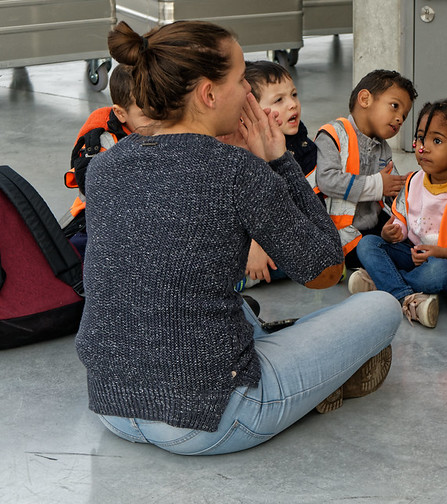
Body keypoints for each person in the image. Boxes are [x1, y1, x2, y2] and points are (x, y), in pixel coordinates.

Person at [75, 20, 402, 455]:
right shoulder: (235, 170)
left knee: (228, 307)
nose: (250, 94)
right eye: (239, 80)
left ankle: (296, 357)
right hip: (211, 420)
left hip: (111, 406)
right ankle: (313, 376)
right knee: (380, 306)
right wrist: (280, 161)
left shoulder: (104, 166)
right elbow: (326, 270)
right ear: (209, 94)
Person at [348, 98, 447, 328]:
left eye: (436, 140)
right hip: (410, 253)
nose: (423, 148)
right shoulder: (414, 180)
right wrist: (394, 232)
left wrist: (443, 252)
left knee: (440, 273)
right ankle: (405, 297)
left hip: (445, 262)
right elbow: (401, 217)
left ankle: (383, 283)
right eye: (420, 138)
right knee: (368, 243)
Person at [230, 60, 319, 290]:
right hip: (250, 239)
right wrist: (253, 247)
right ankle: (243, 275)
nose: (293, 105)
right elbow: (241, 213)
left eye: (294, 95)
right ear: (251, 111)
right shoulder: (243, 152)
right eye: (279, 100)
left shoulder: (302, 144)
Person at [315, 69, 417, 268]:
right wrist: (378, 184)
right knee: (371, 253)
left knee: (408, 244)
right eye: (394, 106)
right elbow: (326, 180)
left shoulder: (382, 147)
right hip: (339, 231)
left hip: (373, 225)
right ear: (365, 99)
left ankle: (378, 272)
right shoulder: (333, 134)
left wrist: (415, 189)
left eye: (403, 116)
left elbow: (393, 187)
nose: (399, 119)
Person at [62, 63, 154, 259]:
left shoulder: (156, 130)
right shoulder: (101, 144)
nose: (157, 120)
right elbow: (101, 198)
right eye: (146, 115)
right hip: (93, 224)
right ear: (120, 113)